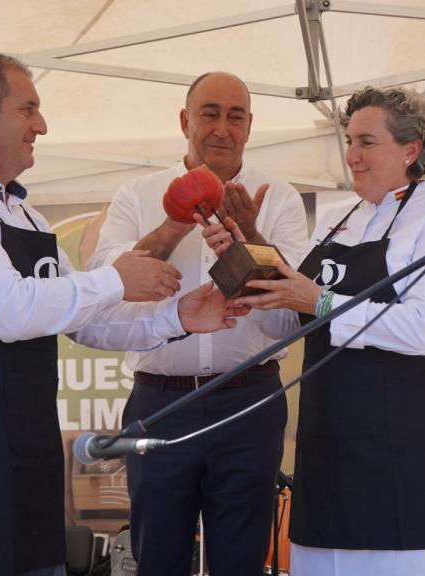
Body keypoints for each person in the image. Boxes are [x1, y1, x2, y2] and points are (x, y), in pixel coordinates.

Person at [0, 52, 244, 576]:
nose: (42, 125)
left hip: (21, 430)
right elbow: (7, 310)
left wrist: (179, 317)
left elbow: (83, 318)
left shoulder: (22, 211)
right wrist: (118, 278)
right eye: (29, 109)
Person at [207, 85, 425, 575]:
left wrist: (318, 299)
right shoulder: (338, 220)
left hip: (406, 445)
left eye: (366, 142)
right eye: (348, 141)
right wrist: (249, 249)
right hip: (331, 440)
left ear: (411, 150)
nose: (351, 156)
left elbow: (422, 328)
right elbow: (287, 322)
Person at [85, 70, 308, 576]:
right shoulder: (137, 194)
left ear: (250, 126)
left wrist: (249, 234)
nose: (221, 129)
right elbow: (106, 284)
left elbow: (290, 315)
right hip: (161, 402)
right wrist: (177, 217)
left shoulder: (279, 198)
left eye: (235, 117)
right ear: (185, 120)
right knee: (158, 557)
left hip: (248, 399)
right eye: (209, 114)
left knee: (243, 558)